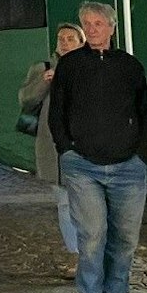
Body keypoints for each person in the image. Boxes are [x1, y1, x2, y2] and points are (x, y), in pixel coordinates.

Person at [49, 1, 147, 293]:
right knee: (92, 235)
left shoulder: (130, 65)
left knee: (124, 240)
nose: (93, 29)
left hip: (128, 166)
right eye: (88, 23)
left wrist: (142, 155)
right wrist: (66, 150)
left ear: (111, 27)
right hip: (83, 165)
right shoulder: (70, 66)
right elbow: (56, 112)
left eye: (98, 23)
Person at [20, 22, 86, 279]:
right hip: (54, 149)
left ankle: (95, 254)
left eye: (71, 38)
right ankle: (77, 255)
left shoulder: (90, 68)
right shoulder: (43, 68)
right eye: (61, 38)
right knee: (64, 202)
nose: (65, 42)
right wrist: (43, 82)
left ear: (81, 42)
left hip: (86, 147)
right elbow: (25, 99)